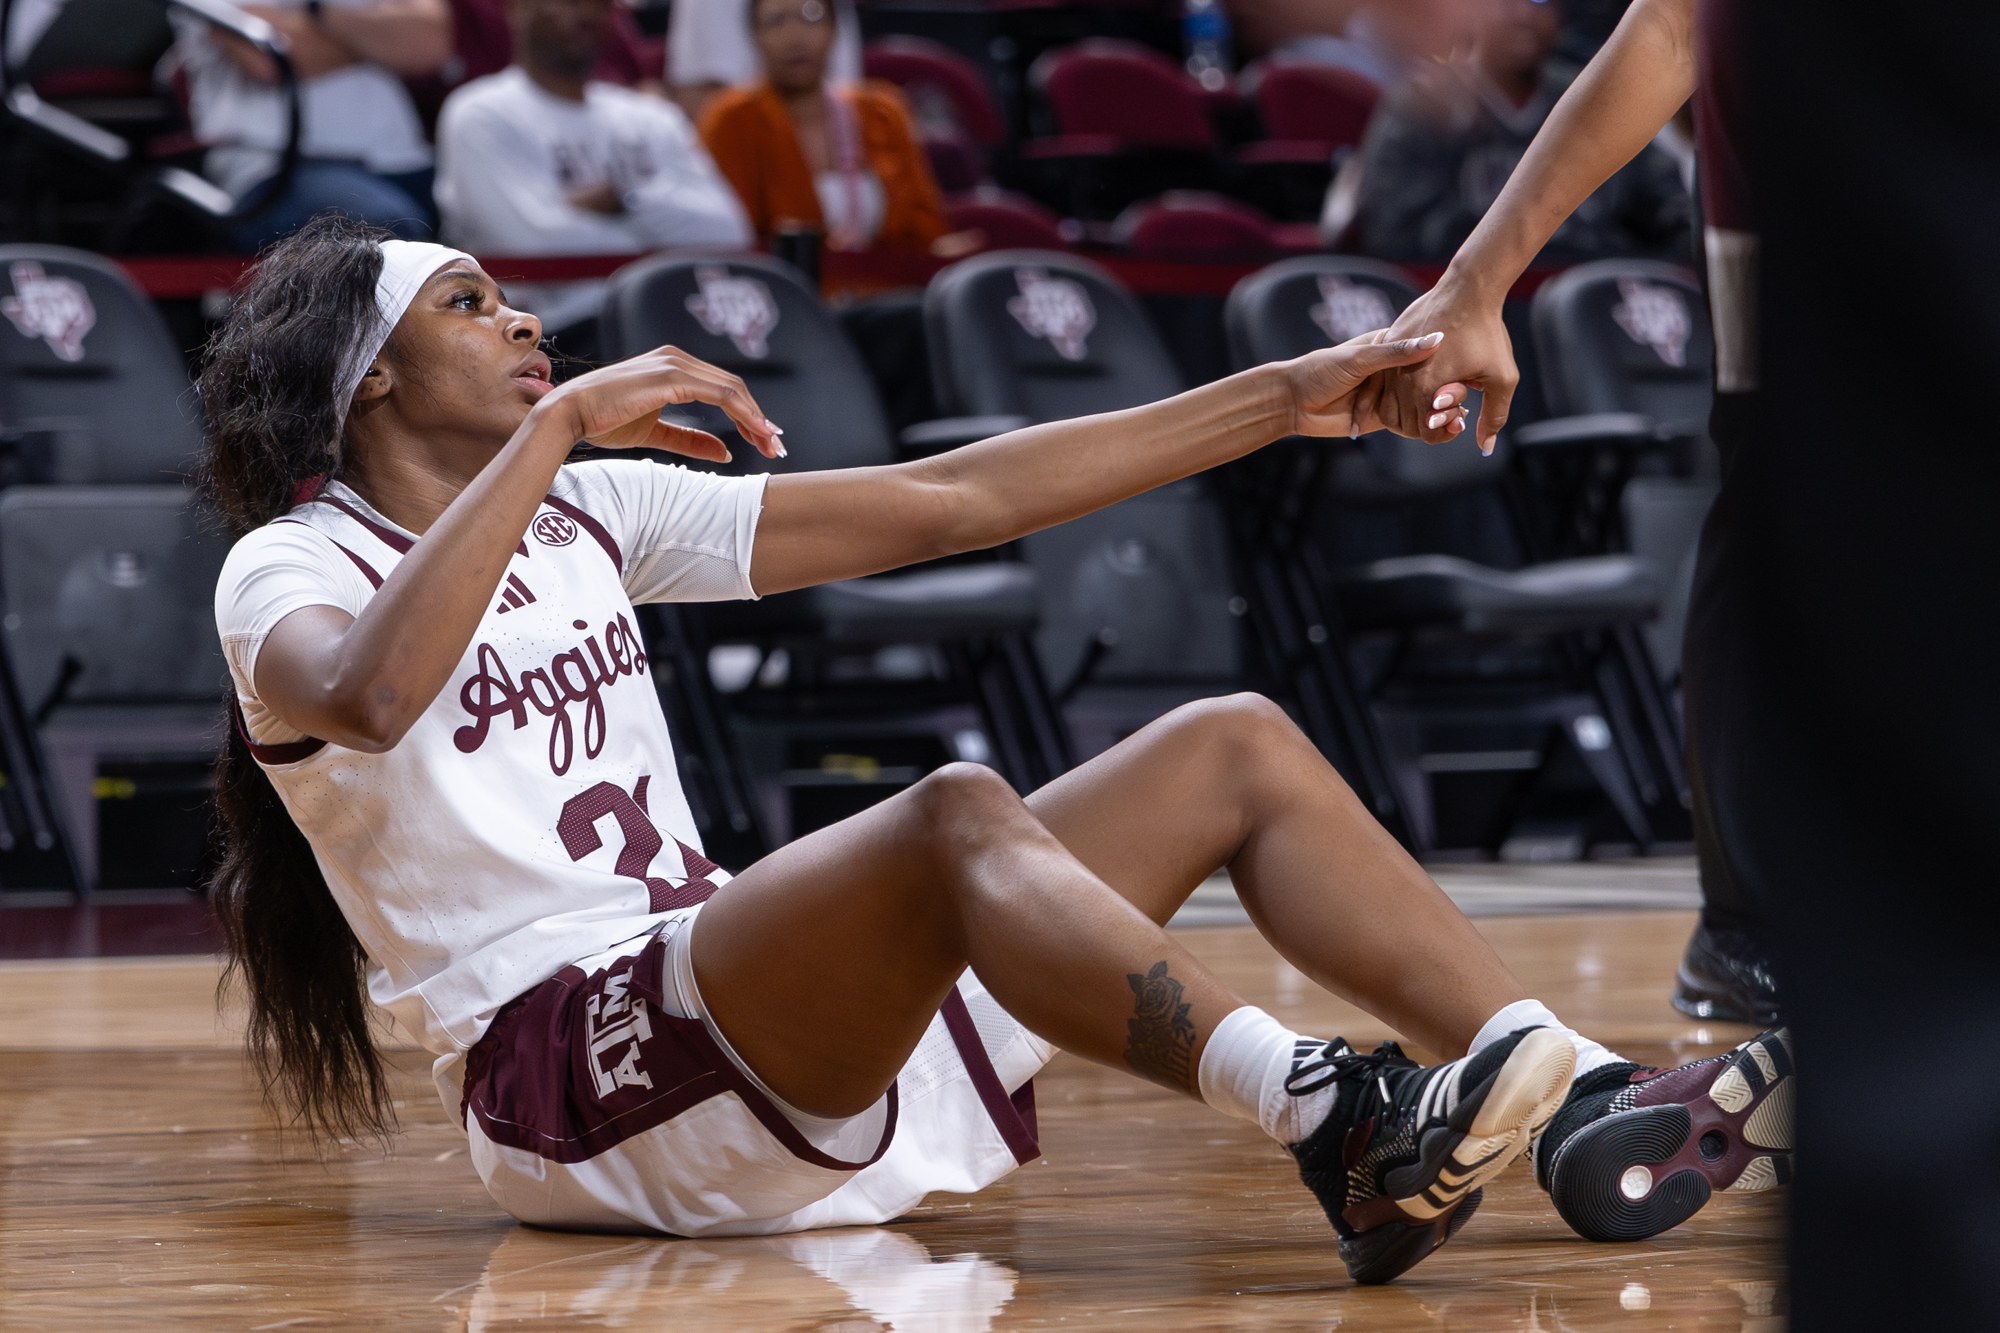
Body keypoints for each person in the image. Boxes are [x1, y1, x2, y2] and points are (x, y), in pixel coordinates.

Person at [199, 218, 1792, 1287]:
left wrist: (1285, 397)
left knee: (1229, 743)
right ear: (372, 375)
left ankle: (1585, 1101)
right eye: (469, 302)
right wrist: (557, 430)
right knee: (956, 811)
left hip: (733, 1006)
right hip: (569, 1071)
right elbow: (371, 696)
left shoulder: (592, 515)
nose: (524, 316)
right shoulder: (284, 568)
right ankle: (1341, 1121)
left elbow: (959, 499)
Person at [1357, 0, 1776, 1029]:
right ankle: (1746, 924)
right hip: (1807, 227)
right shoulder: (1424, 112)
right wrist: (1475, 278)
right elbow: (1670, 28)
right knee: (1785, 543)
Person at [433, 0, 751, 353]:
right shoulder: (481, 113)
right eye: (568, 4)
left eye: (599, 5)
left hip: (676, 317)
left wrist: (625, 200)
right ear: (519, 10)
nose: (584, 14)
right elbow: (534, 244)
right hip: (551, 333)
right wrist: (665, 237)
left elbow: (727, 229)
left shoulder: (652, 118)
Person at [1352, 0, 1688, 265]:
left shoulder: (1599, 98)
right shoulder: (1421, 107)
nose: (1525, 15)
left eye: (1540, 1)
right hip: (1461, 304)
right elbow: (1392, 236)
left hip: (1596, 307)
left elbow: (1672, 214)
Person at [167, 0, 450, 250]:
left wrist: (313, 13)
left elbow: (429, 43)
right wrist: (381, 40)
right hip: (277, 170)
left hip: (404, 160)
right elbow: (268, 58)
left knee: (483, 213)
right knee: (383, 232)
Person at [667, 0, 860, 121]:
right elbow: (696, 96)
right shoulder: (727, 118)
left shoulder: (878, 113)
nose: (795, 38)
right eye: (775, 21)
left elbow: (847, 83)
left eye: (811, 18)